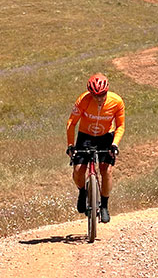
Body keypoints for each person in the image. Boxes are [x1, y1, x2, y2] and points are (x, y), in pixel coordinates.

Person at [66, 73, 125, 223]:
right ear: (90, 93)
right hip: (85, 135)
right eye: (95, 95)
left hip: (106, 136)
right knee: (78, 170)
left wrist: (115, 144)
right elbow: (71, 123)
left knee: (106, 170)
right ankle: (82, 192)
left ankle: (104, 205)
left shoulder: (116, 102)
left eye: (102, 95)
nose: (99, 98)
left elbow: (120, 126)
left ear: (107, 91)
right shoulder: (83, 100)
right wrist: (71, 145)